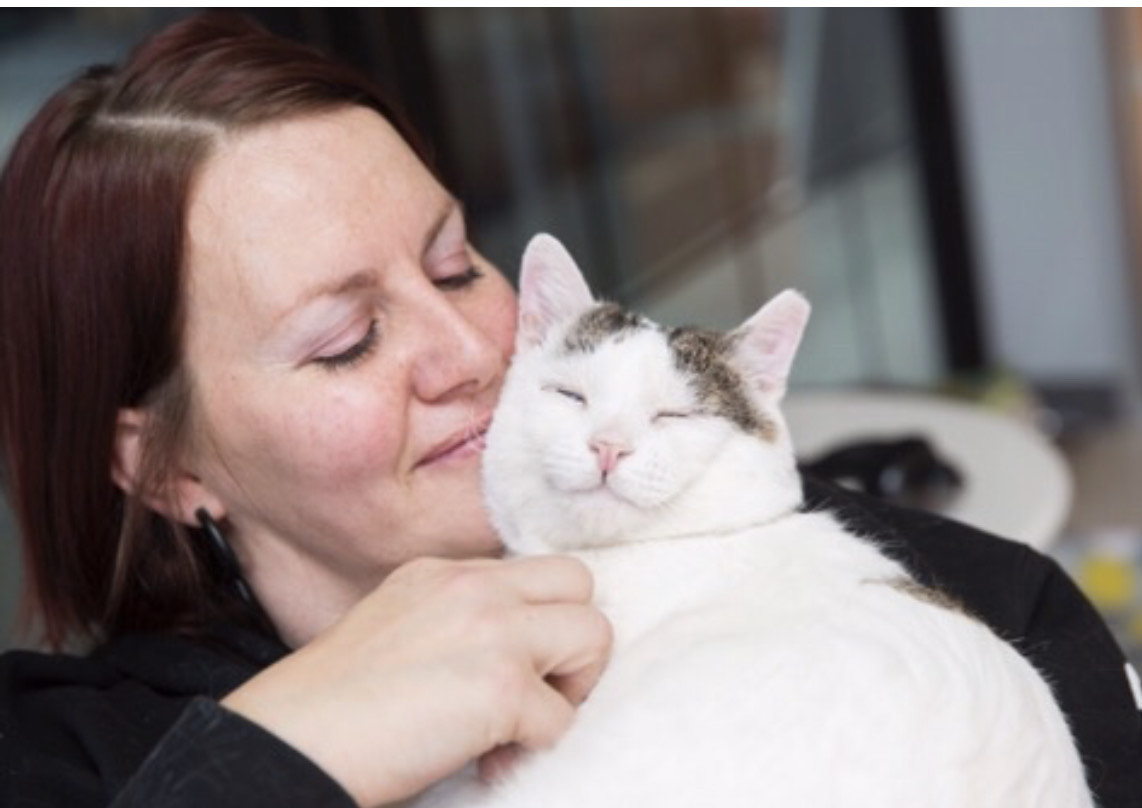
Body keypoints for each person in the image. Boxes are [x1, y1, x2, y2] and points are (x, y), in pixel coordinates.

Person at [0, 12, 1136, 808]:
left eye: (454, 267)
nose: (464, 352)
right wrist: (283, 754)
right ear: (164, 467)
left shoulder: (954, 594)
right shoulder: (64, 760)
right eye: (345, 342)